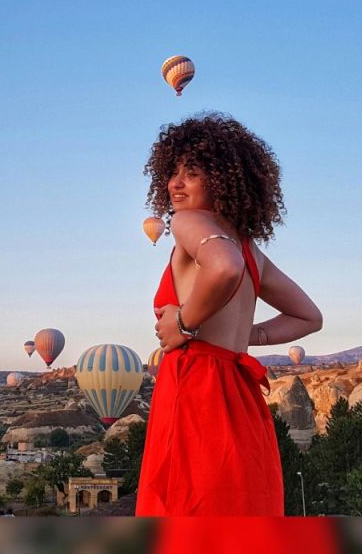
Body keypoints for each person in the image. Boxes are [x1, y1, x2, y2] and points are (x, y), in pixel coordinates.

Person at [135, 113, 323, 516]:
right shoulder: (250, 248)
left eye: (192, 173)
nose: (175, 184)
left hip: (195, 391)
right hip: (240, 395)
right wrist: (244, 336)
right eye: (173, 173)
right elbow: (309, 317)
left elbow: (223, 268)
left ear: (222, 180)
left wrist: (184, 323)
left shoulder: (188, 221)